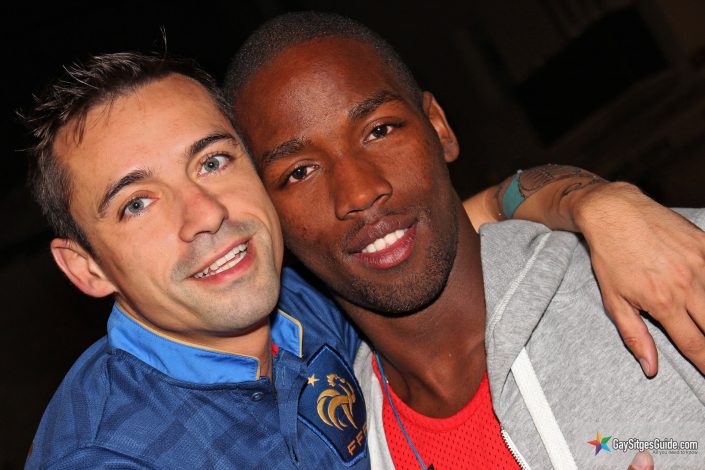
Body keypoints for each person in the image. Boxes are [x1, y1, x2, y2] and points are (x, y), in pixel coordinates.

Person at [224, 11, 705, 468]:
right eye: (299, 172)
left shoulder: (667, 273)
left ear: (439, 127)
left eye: (379, 130)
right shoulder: (347, 449)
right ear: (270, 218)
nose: (359, 191)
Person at [23, 53, 367, 469]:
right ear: (87, 268)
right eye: (137, 204)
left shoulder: (314, 297)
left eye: (212, 162)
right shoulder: (108, 457)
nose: (206, 214)